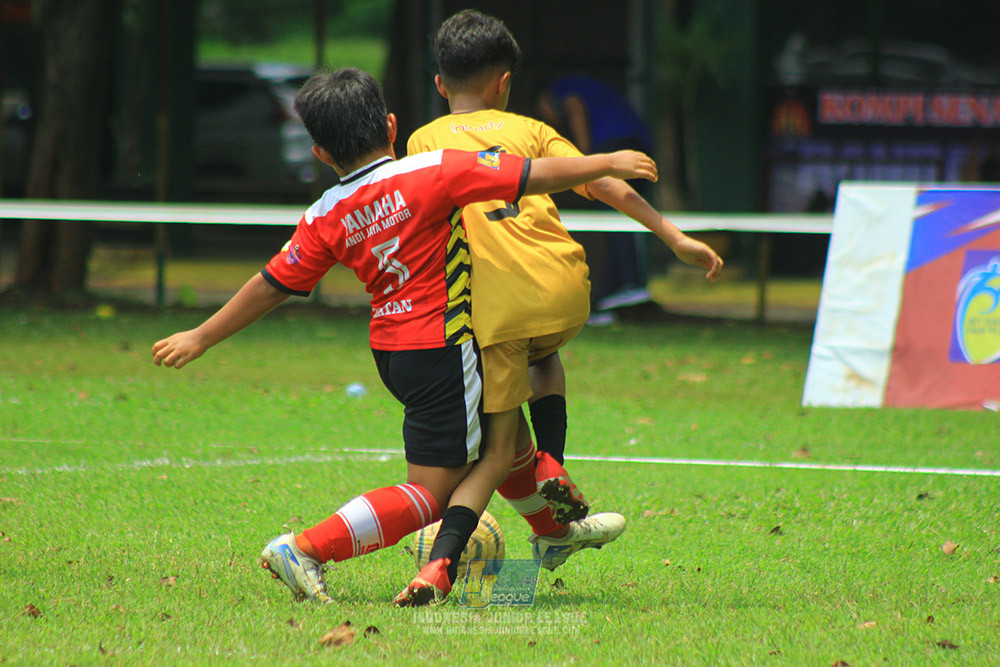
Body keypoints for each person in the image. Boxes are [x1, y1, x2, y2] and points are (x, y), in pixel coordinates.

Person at [151, 67, 658, 607]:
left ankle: (556, 534)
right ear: (392, 126)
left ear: (321, 154)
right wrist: (606, 161)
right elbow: (531, 174)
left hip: (394, 352)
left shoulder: (325, 213)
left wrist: (202, 335)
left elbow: (270, 285)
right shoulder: (434, 171)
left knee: (506, 440)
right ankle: (305, 548)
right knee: (433, 492)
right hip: (444, 348)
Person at [408, 9, 724, 568]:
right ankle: (552, 464)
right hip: (564, 287)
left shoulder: (422, 143)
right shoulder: (531, 129)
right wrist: (675, 238)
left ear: (439, 84)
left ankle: (450, 555)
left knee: (498, 444)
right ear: (504, 83)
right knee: (546, 355)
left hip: (493, 307)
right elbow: (601, 181)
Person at [538, 74, 659, 322]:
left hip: (615, 144)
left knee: (617, 213)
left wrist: (584, 160)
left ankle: (629, 281)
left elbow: (574, 106)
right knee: (622, 215)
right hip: (640, 142)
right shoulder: (596, 90)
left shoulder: (562, 89)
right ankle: (610, 294)